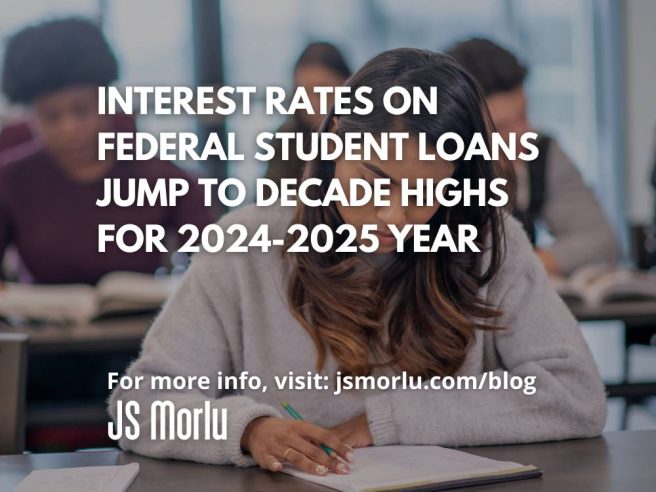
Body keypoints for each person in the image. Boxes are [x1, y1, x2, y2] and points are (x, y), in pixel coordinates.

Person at [109, 48, 605, 476]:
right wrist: (249, 430)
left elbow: (574, 394)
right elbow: (140, 406)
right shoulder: (244, 244)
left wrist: (387, 420)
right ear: (335, 137)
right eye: (376, 178)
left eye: (425, 192)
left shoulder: (489, 244)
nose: (393, 215)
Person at [0, 18, 213, 285]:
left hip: (148, 323)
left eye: (81, 110)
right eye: (52, 117)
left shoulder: (166, 178)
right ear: (32, 118)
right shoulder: (10, 180)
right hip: (41, 324)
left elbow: (213, 270)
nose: (69, 129)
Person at [447, 38, 619, 276]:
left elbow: (600, 242)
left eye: (523, 115)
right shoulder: (425, 168)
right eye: (502, 127)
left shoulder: (541, 152)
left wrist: (523, 263)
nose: (522, 134)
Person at [265, 42, 351, 185]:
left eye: (322, 90)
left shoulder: (368, 137)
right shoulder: (286, 139)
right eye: (304, 93)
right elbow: (266, 202)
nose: (312, 103)